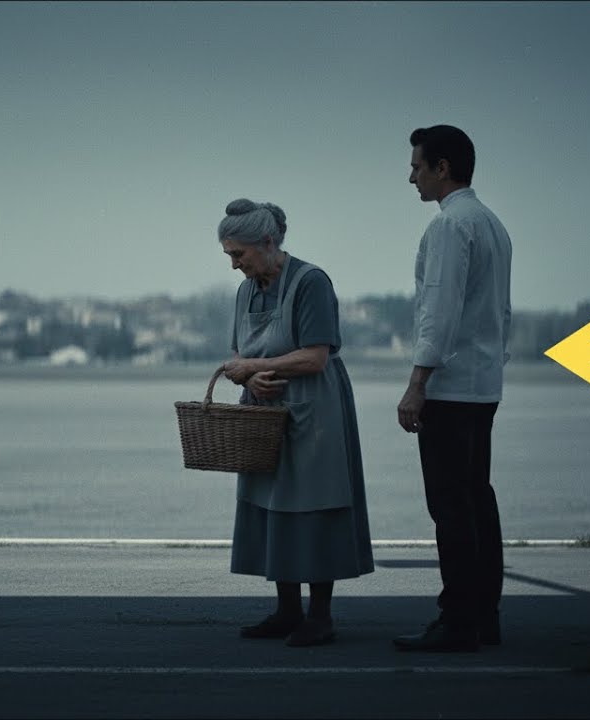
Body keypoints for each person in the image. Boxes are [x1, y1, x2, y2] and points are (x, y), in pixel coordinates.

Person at [217, 198, 375, 648]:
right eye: (230, 256)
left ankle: (320, 616)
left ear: (267, 243)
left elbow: (316, 354)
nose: (234, 265)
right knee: (272, 503)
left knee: (315, 503)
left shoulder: (311, 283)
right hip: (265, 409)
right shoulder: (246, 290)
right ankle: (287, 610)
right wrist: (247, 373)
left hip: (314, 407)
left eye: (239, 255)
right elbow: (240, 354)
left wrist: (255, 369)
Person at [392, 125, 513, 653]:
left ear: (443, 168)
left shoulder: (448, 229)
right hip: (483, 387)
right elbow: (499, 314)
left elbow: (438, 315)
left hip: (450, 390)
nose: (411, 175)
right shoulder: (492, 224)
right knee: (478, 501)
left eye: (418, 166)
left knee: (451, 508)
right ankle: (484, 615)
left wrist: (417, 384)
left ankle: (458, 618)